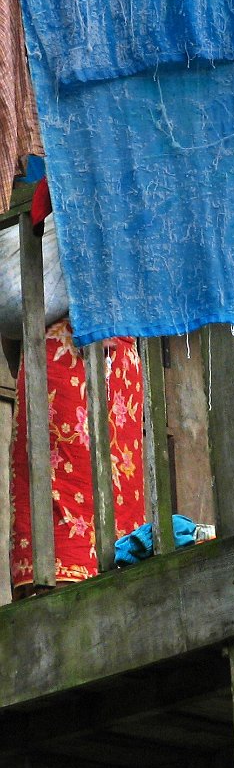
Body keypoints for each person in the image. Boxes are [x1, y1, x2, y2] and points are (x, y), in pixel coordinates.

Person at [3, 210, 146, 598]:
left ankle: (95, 576)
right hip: (71, 351)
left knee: (109, 476)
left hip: (107, 355)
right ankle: (58, 579)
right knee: (58, 474)